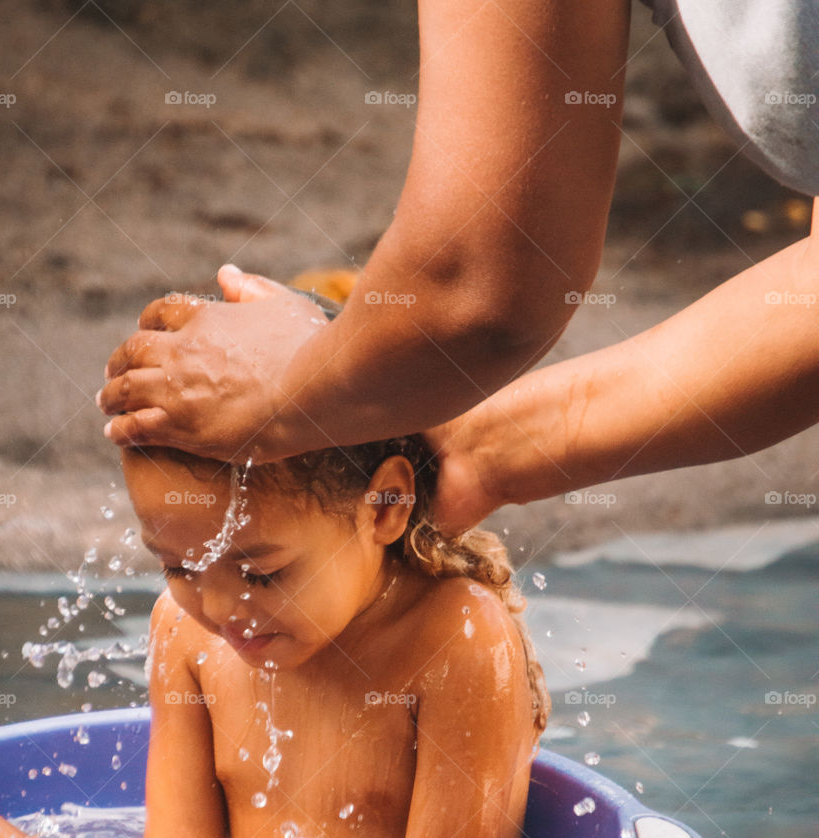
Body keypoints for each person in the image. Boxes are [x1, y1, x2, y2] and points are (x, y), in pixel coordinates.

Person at [95, 0, 819, 530]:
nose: (221, 614)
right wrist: (478, 452)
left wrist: (290, 388)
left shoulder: (462, 658)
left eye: (263, 572)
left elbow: (479, 290)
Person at [0, 436, 561, 838]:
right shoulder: (188, 633)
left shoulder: (456, 638)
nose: (217, 610)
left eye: (261, 574)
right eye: (179, 567)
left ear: (383, 505)